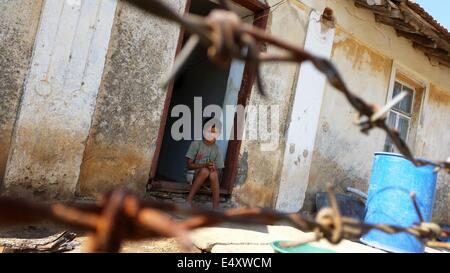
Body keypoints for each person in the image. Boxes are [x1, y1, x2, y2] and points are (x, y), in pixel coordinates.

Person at [185, 117, 224, 209]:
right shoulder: (196, 144)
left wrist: (214, 168)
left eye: (214, 132)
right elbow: (189, 165)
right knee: (205, 171)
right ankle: (188, 201)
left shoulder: (217, 149)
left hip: (209, 181)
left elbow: (219, 172)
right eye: (209, 131)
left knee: (213, 173)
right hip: (193, 176)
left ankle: (216, 207)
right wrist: (204, 165)